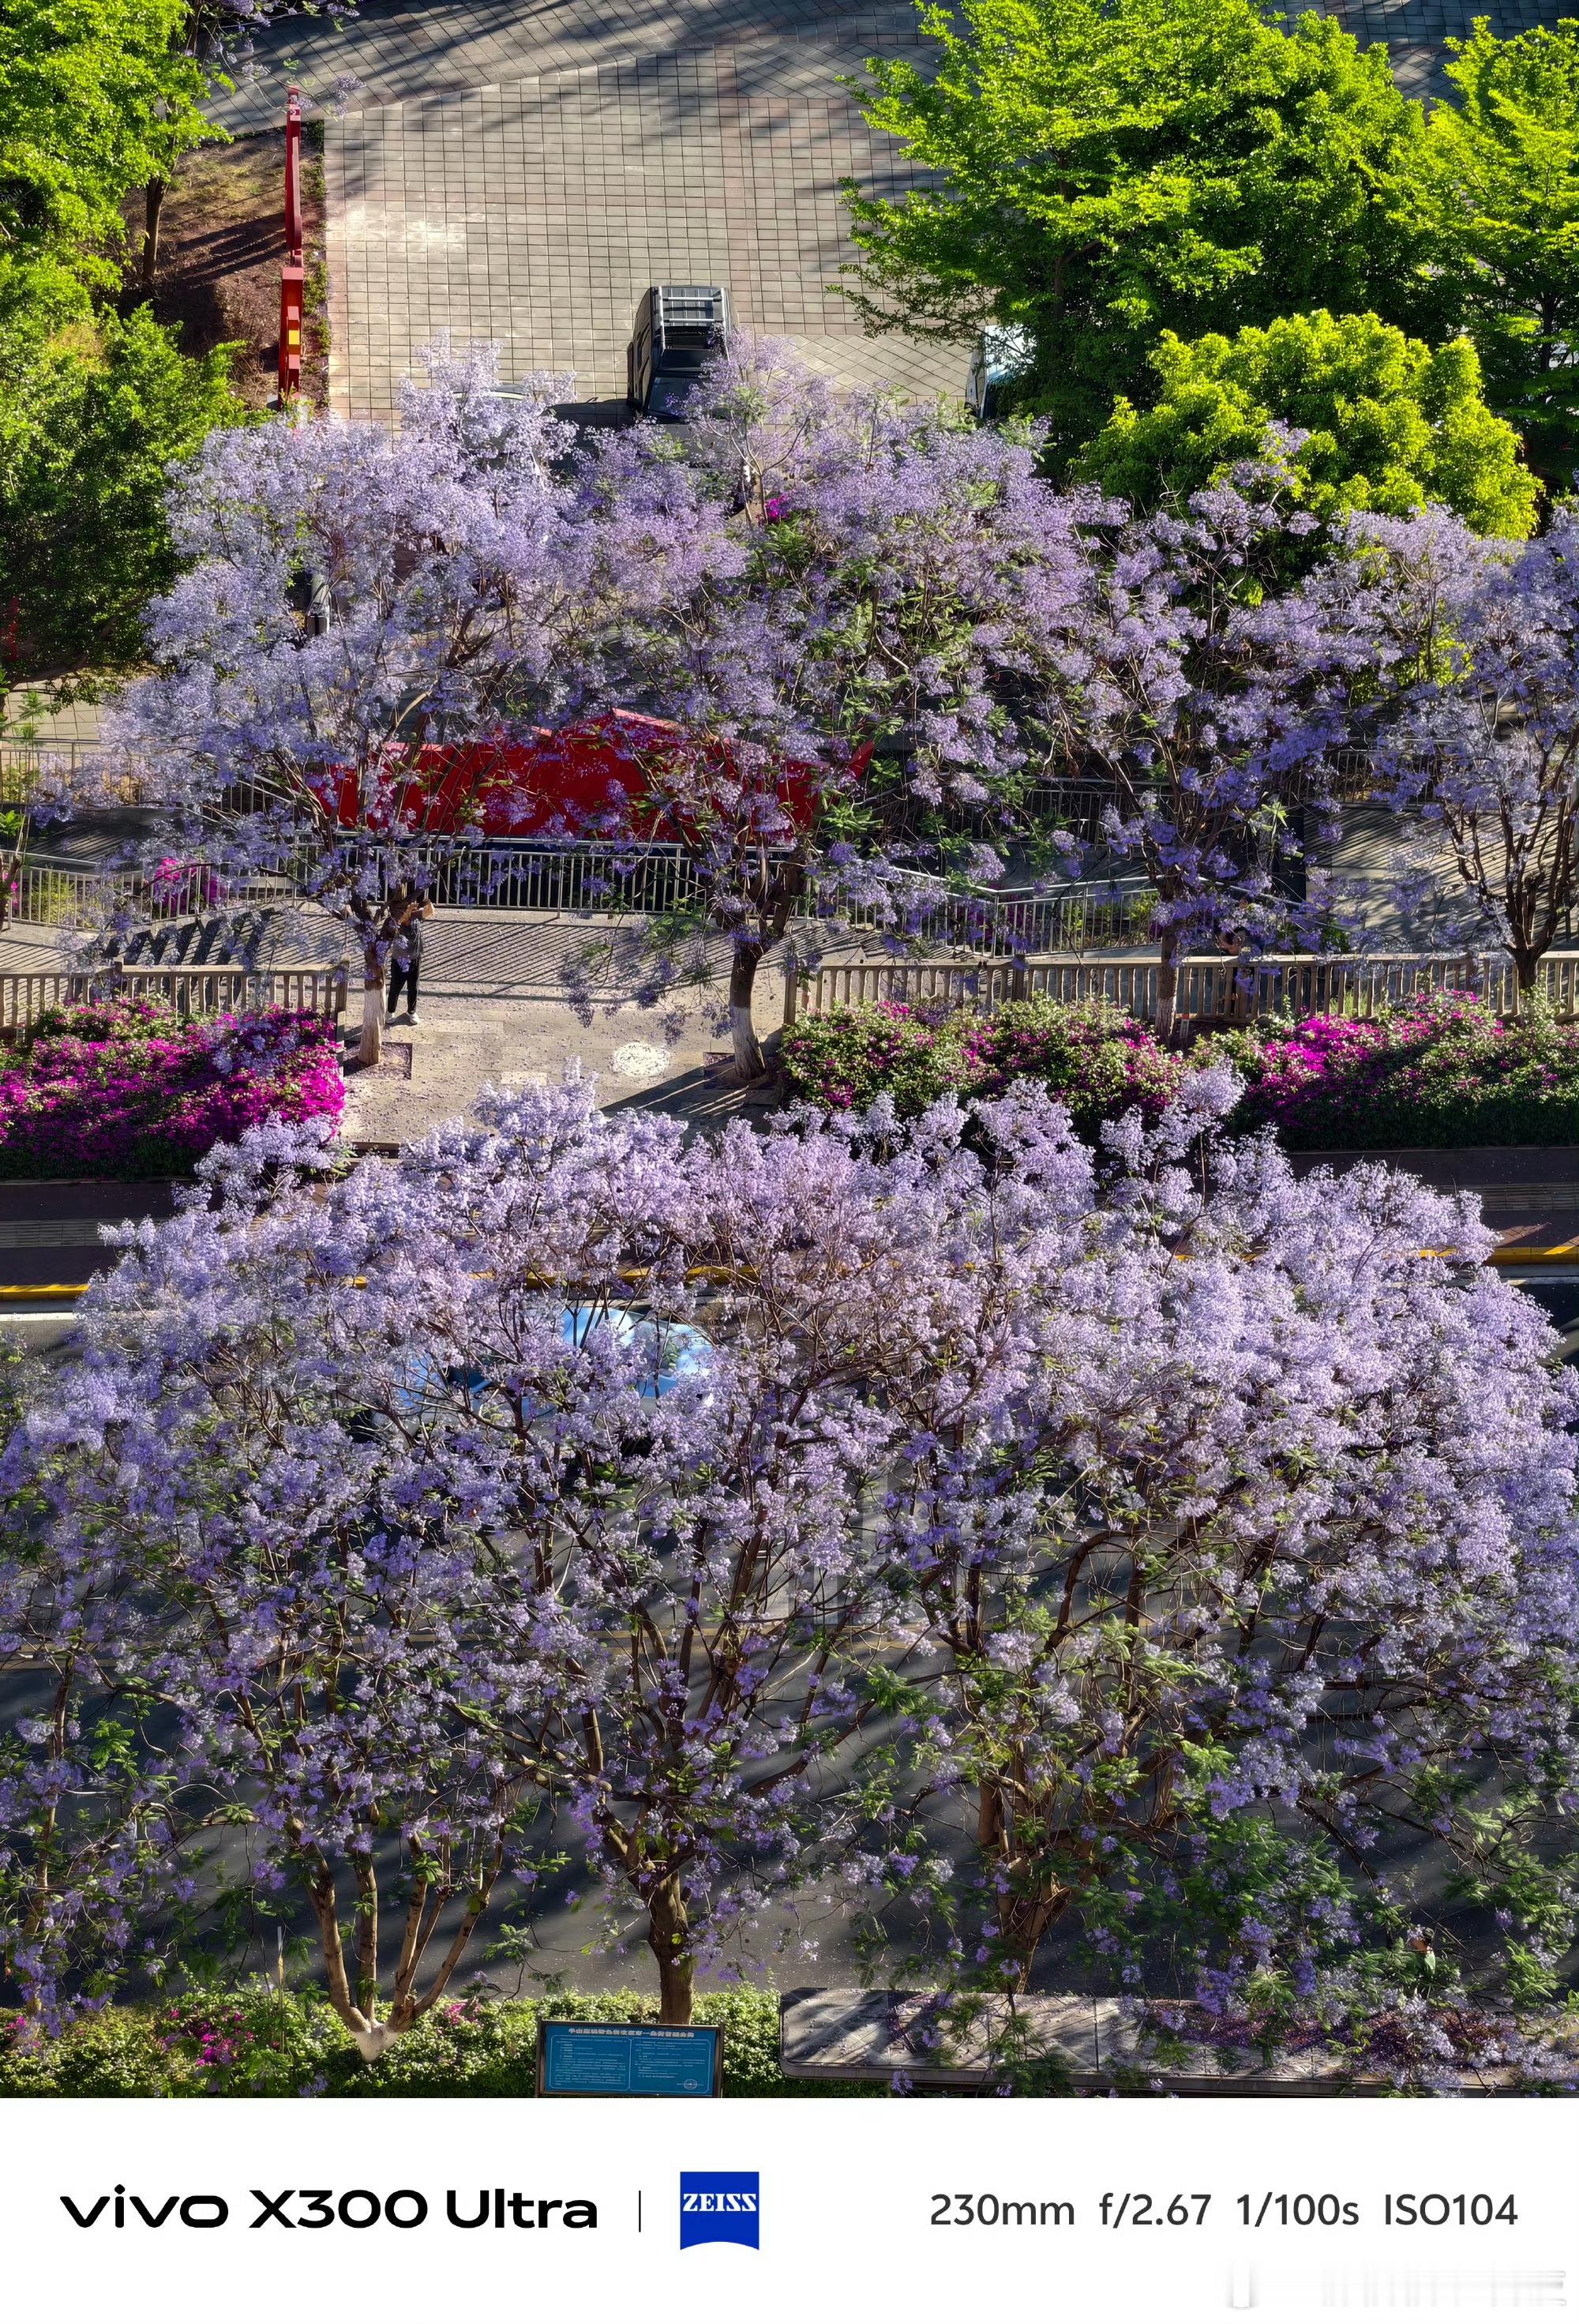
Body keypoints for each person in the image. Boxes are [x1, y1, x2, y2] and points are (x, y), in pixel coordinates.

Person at [385, 879, 434, 1026]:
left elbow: (430, 911)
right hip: (400, 959)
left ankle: (411, 1012)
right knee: (396, 986)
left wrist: (426, 903)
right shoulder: (395, 919)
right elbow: (399, 921)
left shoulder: (415, 916)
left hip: (415, 956)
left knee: (414, 987)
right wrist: (405, 911)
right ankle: (390, 1011)